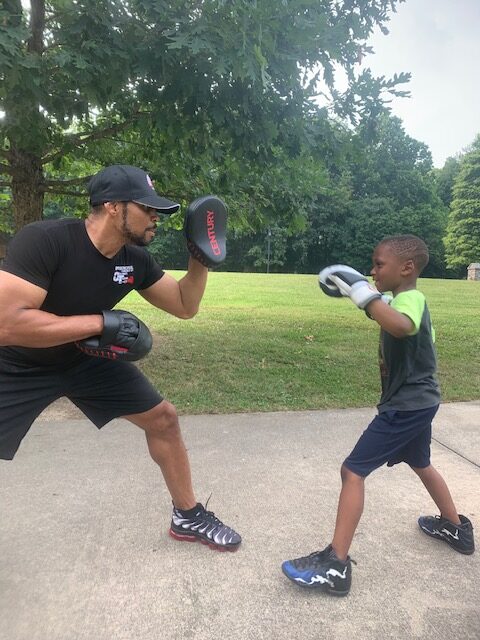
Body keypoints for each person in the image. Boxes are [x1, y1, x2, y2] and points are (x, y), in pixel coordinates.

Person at [0, 164, 241, 551]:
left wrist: (200, 258)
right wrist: (98, 322)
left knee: (163, 419)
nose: (156, 219)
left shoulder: (133, 261)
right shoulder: (45, 240)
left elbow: (183, 305)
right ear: (113, 207)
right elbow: (8, 324)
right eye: (148, 209)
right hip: (16, 364)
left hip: (82, 360)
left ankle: (188, 515)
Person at [281, 234, 474, 595]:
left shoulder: (412, 299)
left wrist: (365, 295)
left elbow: (401, 325)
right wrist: (358, 294)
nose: (372, 270)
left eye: (379, 264)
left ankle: (335, 565)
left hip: (408, 406)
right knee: (420, 461)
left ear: (407, 268)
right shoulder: (396, 301)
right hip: (419, 401)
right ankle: (455, 527)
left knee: (352, 471)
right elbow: (386, 314)